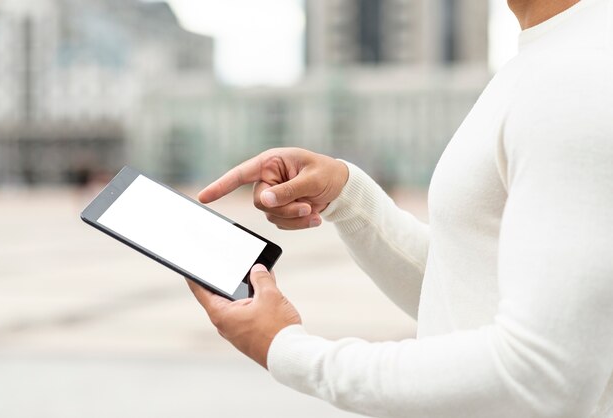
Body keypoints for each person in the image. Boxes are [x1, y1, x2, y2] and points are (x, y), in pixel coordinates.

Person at [186, 0, 613, 416]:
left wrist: (288, 350)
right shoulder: (550, 55)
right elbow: (466, 289)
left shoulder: (579, 72)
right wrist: (347, 197)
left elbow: (544, 378)